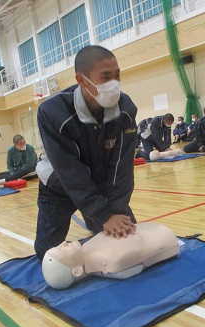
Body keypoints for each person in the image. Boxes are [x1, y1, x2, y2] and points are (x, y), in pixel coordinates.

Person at [34, 45, 138, 260]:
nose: (114, 84)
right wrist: (102, 215)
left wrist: (116, 210)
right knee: (50, 256)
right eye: (105, 77)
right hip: (59, 185)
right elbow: (69, 171)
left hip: (99, 182)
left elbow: (122, 165)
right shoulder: (53, 112)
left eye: (117, 75)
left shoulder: (125, 109)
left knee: (129, 238)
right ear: (81, 80)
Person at [42, 222, 180, 289]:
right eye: (62, 251)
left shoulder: (87, 248)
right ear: (76, 271)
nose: (63, 243)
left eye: (58, 246)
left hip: (153, 231)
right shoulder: (111, 261)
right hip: (162, 235)